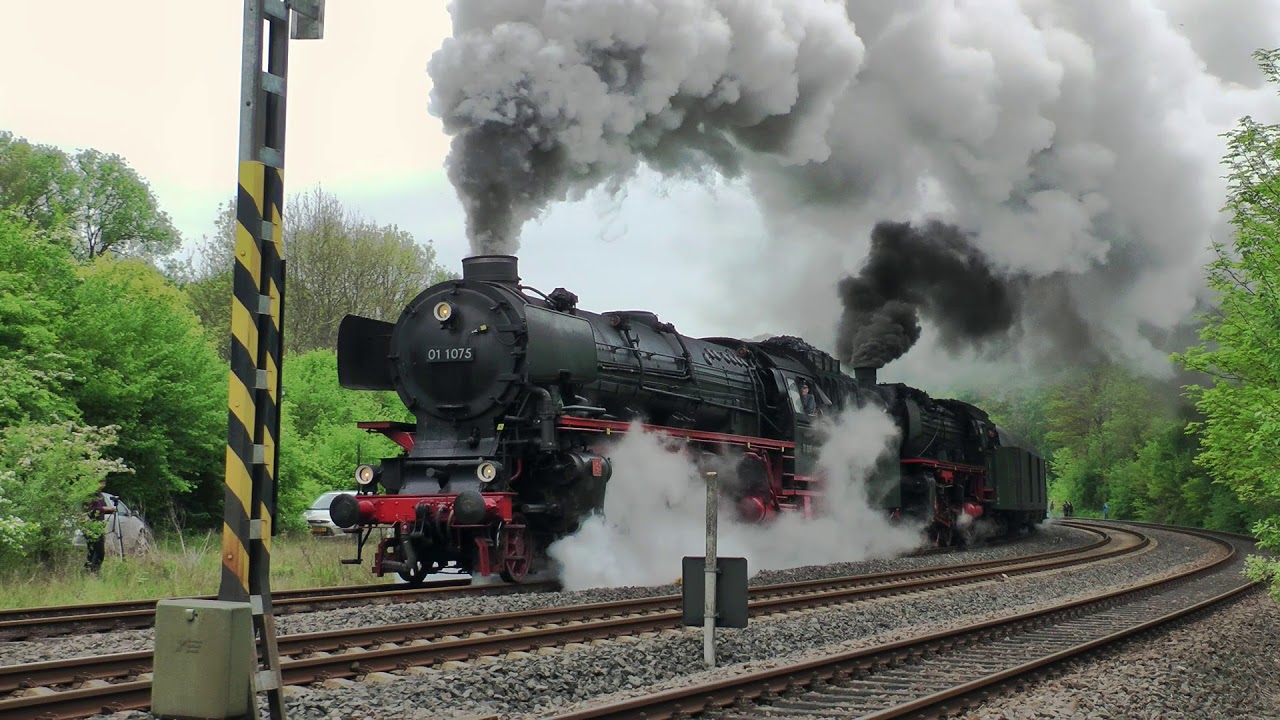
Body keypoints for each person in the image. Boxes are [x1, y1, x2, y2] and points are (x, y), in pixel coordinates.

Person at [85, 485, 116, 574]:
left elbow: (103, 508)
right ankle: (91, 571)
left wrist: (110, 510)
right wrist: (105, 508)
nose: (102, 485)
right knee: (95, 551)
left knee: (98, 551)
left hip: (99, 525)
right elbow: (92, 509)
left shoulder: (101, 495)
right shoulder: (91, 495)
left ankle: (93, 571)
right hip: (91, 525)